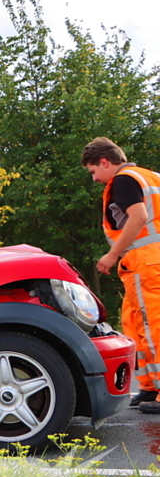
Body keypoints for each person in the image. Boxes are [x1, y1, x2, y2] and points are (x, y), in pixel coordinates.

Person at [83, 137, 160, 413]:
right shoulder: (150, 176)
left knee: (153, 326)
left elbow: (138, 217)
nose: (95, 179)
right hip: (146, 262)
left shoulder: (124, 180)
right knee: (136, 323)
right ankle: (150, 387)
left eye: (94, 171)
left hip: (146, 261)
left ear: (105, 162)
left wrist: (113, 253)